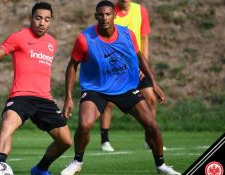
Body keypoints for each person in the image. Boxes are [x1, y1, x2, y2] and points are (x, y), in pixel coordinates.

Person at [60, 1, 180, 175]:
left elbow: (139, 56)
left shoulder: (127, 34)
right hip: (96, 88)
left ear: (114, 16)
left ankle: (161, 165)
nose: (104, 18)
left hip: (125, 86)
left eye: (108, 14)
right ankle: (77, 162)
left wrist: (154, 83)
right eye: (100, 15)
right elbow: (72, 65)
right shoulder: (85, 38)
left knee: (152, 125)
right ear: (96, 16)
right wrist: (68, 97)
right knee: (84, 124)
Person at [0, 2, 72, 175]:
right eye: (38, 18)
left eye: (47, 19)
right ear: (31, 18)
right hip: (21, 96)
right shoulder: (19, 36)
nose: (42, 23)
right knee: (7, 124)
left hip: (44, 99)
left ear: (50, 21)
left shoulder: (52, 43)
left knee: (65, 141)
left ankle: (40, 169)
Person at [100, 0, 160, 152]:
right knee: (109, 102)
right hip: (116, 65)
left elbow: (144, 38)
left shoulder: (140, 10)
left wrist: (143, 64)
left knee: (151, 98)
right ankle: (104, 140)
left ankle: (149, 139)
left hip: (137, 63)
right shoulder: (109, 11)